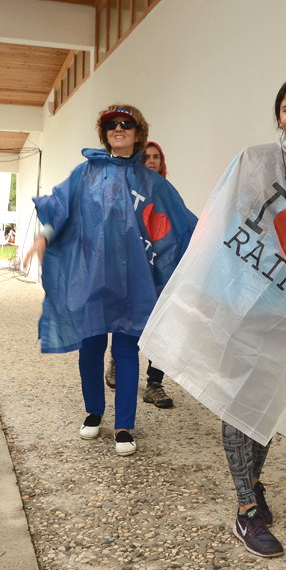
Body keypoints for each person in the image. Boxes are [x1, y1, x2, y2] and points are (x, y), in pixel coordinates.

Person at [140, 77, 286, 558]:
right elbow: (218, 224)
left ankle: (255, 481)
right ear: (279, 117)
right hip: (237, 304)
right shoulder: (254, 162)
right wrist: (201, 289)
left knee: (267, 405)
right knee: (240, 403)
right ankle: (246, 511)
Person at [23, 106, 197, 456]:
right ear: (104, 134)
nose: (118, 129)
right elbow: (61, 206)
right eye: (111, 125)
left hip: (134, 279)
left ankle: (124, 426)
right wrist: (43, 236)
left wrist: (207, 250)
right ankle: (94, 412)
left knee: (126, 349)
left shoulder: (152, 183)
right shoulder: (86, 173)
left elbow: (180, 223)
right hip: (93, 277)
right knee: (90, 347)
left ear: (137, 132)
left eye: (126, 124)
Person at [105, 140, 175, 408]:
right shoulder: (126, 192)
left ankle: (154, 384)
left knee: (162, 325)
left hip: (160, 269)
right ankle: (118, 361)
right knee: (127, 320)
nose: (152, 160)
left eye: (157, 156)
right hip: (132, 269)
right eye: (147, 157)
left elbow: (178, 225)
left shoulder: (167, 194)